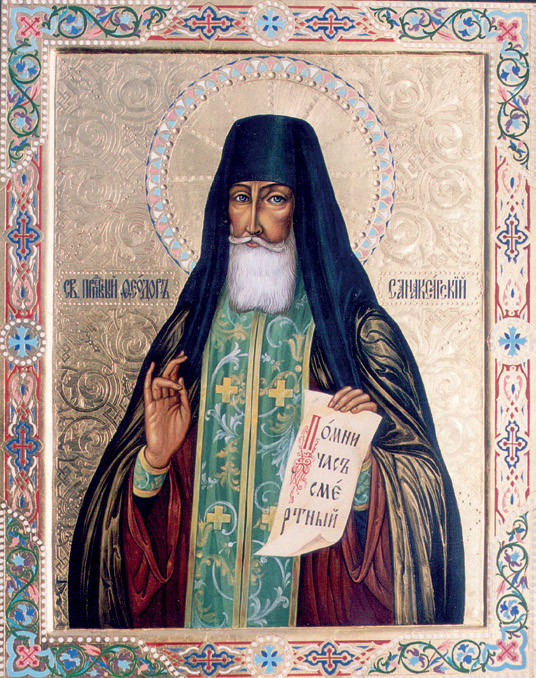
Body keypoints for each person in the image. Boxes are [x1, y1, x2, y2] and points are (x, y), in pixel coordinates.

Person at [69, 115, 465, 629]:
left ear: (303, 208)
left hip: (316, 635)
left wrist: (366, 469)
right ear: (223, 209)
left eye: (274, 199)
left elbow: (424, 497)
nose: (253, 223)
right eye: (241, 198)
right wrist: (155, 461)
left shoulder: (356, 338)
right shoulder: (188, 338)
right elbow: (117, 524)